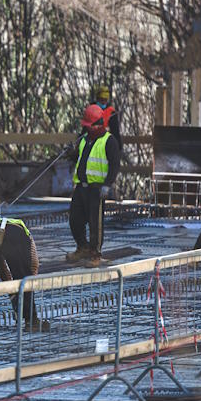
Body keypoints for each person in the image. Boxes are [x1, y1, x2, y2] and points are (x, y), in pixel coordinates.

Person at [66, 104, 121, 268]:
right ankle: (82, 247)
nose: (86, 129)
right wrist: (70, 152)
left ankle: (95, 254)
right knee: (75, 219)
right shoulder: (84, 140)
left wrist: (107, 184)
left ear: (98, 125)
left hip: (97, 189)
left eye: (89, 126)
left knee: (95, 223)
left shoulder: (109, 141)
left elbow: (114, 165)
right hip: (81, 187)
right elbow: (78, 158)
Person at [0, 217, 49, 331]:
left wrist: (12, 291)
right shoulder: (28, 239)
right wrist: (21, 287)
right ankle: (31, 320)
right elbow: (33, 265)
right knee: (23, 276)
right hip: (13, 236)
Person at [92, 85, 122, 149]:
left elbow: (115, 131)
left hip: (106, 144)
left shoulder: (111, 112)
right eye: (101, 99)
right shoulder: (91, 110)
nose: (103, 102)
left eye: (105, 100)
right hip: (92, 143)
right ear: (97, 98)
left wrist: (118, 147)